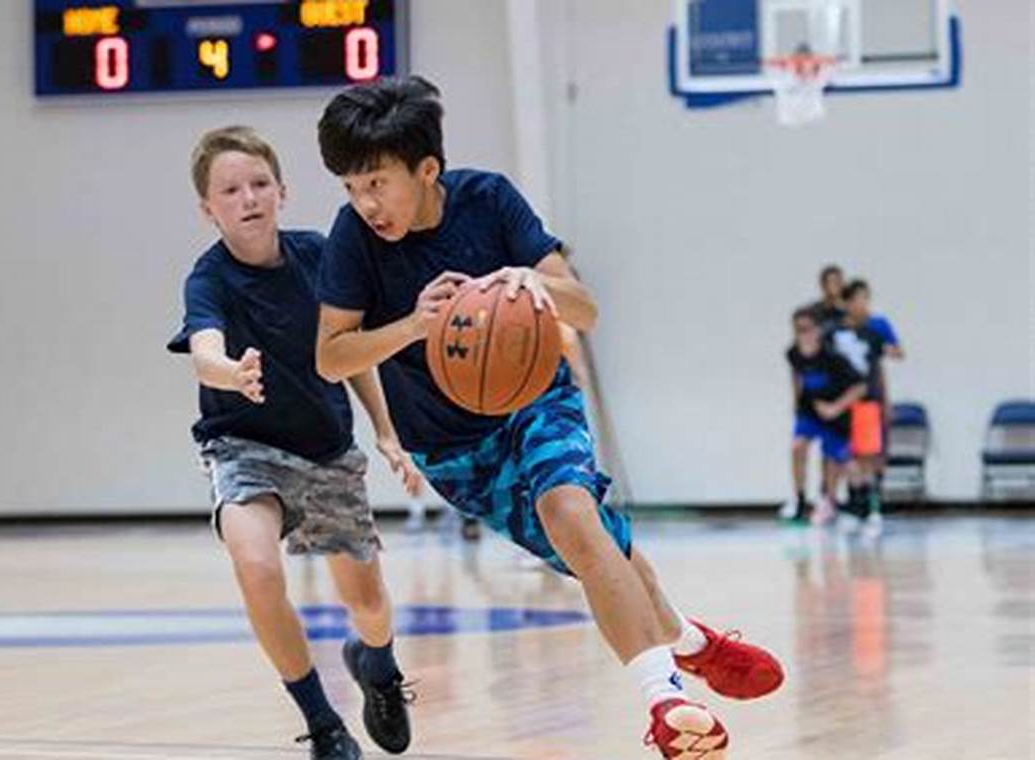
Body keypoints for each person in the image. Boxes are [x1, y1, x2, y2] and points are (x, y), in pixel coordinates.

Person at [313, 76, 783, 759]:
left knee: (573, 516)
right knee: (602, 554)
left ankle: (665, 702)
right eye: (351, 187)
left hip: (537, 400)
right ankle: (692, 641)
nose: (365, 202)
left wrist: (541, 286)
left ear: (427, 169)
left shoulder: (490, 201)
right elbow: (330, 357)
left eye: (377, 183)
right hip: (452, 451)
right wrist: (413, 326)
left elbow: (585, 309)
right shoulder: (354, 240)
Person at [167, 126, 419, 760]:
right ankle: (324, 724)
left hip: (327, 449)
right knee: (254, 565)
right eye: (230, 190)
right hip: (242, 445)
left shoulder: (318, 255)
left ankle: (378, 667)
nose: (247, 198)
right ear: (208, 209)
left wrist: (387, 434)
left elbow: (352, 353)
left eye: (258, 184)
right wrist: (233, 373)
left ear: (282, 191)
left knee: (368, 606)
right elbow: (204, 354)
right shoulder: (209, 280)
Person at [829, 280, 903, 538]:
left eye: (866, 299)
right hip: (842, 402)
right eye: (858, 299)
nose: (863, 304)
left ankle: (873, 509)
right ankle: (853, 507)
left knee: (869, 457)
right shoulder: (834, 332)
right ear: (847, 303)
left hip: (868, 402)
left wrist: (886, 401)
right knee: (847, 459)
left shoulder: (874, 331)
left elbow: (889, 360)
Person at [780, 308, 867, 524]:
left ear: (817, 331)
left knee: (839, 460)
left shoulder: (833, 358)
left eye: (807, 329)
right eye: (797, 330)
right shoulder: (793, 353)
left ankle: (850, 503)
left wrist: (835, 408)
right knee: (797, 447)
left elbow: (859, 387)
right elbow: (797, 375)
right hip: (810, 410)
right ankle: (800, 499)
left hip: (834, 414)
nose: (802, 334)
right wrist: (796, 400)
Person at [809, 264, 847, 333]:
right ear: (823, 285)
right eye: (833, 281)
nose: (838, 285)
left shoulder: (849, 311)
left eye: (840, 281)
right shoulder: (813, 312)